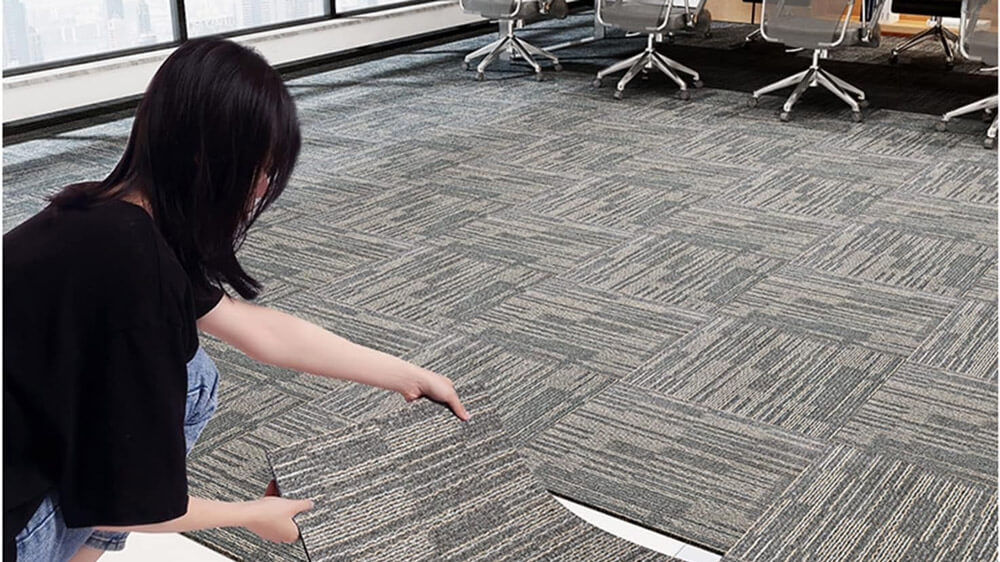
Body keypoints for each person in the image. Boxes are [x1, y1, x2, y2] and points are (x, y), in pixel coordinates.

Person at [3, 36, 470, 562]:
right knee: (187, 387)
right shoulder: (135, 267)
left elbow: (260, 330)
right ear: (208, 157)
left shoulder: (101, 214)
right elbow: (128, 504)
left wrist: (411, 376)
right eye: (262, 169)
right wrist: (255, 515)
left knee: (195, 374)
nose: (262, 189)